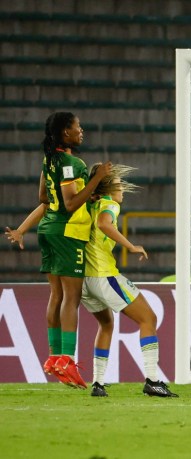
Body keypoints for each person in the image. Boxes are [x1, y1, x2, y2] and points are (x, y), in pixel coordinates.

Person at [6, 112, 112, 388]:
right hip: (67, 234)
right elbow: (68, 204)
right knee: (71, 297)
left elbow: (44, 197)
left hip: (48, 231)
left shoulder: (50, 159)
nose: (82, 131)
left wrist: (23, 229)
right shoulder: (71, 163)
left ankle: (54, 358)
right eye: (78, 127)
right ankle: (66, 358)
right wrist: (97, 177)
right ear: (66, 132)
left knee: (56, 294)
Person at [82, 163, 177, 397]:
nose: (122, 191)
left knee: (106, 324)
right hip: (104, 275)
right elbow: (104, 223)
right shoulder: (109, 205)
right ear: (109, 190)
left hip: (85, 280)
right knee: (148, 318)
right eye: (119, 186)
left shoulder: (90, 205)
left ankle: (98, 383)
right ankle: (153, 380)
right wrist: (130, 246)